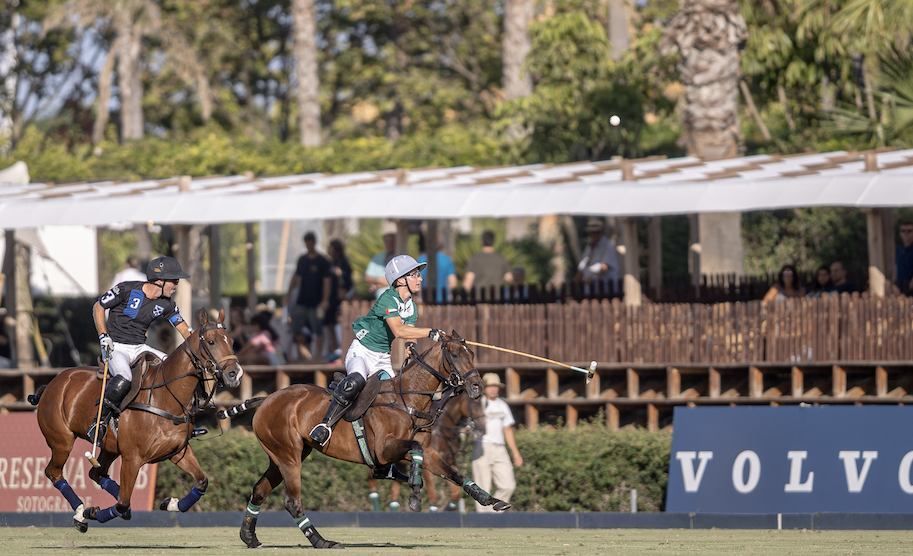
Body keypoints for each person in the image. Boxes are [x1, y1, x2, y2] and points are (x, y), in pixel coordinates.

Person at [308, 254, 445, 447]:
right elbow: (398, 330)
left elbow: (409, 332)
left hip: (383, 358)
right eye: (415, 274)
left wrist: (410, 347)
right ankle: (325, 425)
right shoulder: (387, 299)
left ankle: (380, 443)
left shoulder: (411, 306)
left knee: (395, 396)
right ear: (400, 280)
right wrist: (430, 332)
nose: (420, 278)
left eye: (418, 275)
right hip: (362, 352)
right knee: (356, 381)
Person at [89, 256, 192, 446]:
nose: (176, 285)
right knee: (124, 378)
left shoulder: (167, 304)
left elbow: (184, 329)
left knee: (173, 367)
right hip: (115, 346)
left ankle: (180, 420)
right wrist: (104, 336)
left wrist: (198, 343)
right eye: (174, 281)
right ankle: (99, 421)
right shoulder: (126, 289)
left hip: (139, 347)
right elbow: (98, 307)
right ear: (160, 281)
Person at [472, 372, 523, 512]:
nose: (493, 389)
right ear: (484, 388)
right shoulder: (477, 404)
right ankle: (483, 521)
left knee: (508, 485)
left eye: (496, 386)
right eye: (490, 386)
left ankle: (493, 513)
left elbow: (508, 430)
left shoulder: (503, 405)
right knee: (482, 487)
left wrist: (516, 453)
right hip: (482, 447)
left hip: (500, 449)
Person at [285, 232, 331, 361]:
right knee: (296, 330)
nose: (309, 244)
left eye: (310, 242)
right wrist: (288, 294)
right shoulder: (302, 260)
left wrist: (325, 300)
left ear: (314, 242)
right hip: (302, 301)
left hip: (316, 302)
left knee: (318, 330)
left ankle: (317, 357)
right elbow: (296, 277)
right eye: (307, 242)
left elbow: (327, 282)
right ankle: (304, 355)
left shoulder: (322, 261)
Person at [463, 230, 513, 298]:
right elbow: (509, 278)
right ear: (494, 241)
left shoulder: (475, 259)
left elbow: (468, 281)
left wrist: (465, 296)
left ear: (481, 241)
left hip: (479, 298)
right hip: (497, 300)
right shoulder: (501, 259)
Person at [325, 239, 353, 360]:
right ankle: (333, 348)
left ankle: (340, 348)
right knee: (329, 323)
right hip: (331, 297)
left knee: (339, 321)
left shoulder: (343, 262)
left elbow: (347, 281)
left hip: (340, 298)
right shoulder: (330, 263)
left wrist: (340, 275)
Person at [576, 217, 620, 292]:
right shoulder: (589, 247)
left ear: (600, 232)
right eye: (591, 232)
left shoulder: (608, 246)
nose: (593, 235)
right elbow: (582, 267)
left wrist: (591, 276)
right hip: (591, 290)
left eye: (595, 232)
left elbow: (604, 267)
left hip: (606, 290)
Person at [418, 232, 457, 303]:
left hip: (426, 300)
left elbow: (417, 283)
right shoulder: (447, 260)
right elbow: (453, 283)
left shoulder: (421, 260)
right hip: (443, 302)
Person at [364, 221, 398, 299]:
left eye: (392, 240)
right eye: (387, 240)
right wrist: (379, 280)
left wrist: (377, 285)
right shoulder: (377, 257)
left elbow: (399, 281)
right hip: (380, 300)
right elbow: (367, 277)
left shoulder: (401, 258)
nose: (390, 243)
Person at [896, 220, 913, 295]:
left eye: (909, 231)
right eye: (903, 231)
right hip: (900, 289)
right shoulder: (898, 250)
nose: (906, 234)